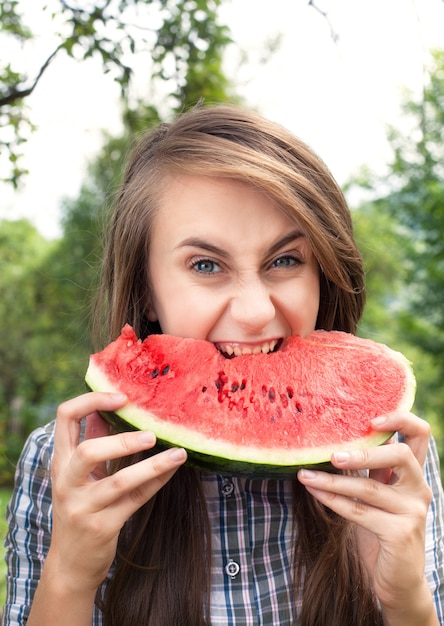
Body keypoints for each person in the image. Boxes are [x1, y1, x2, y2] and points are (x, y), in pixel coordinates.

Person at [2, 104, 444, 626]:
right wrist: (70, 576)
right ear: (146, 290)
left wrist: (405, 599)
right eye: (206, 265)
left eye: (285, 260)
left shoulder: (388, 455)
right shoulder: (68, 461)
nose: (256, 312)